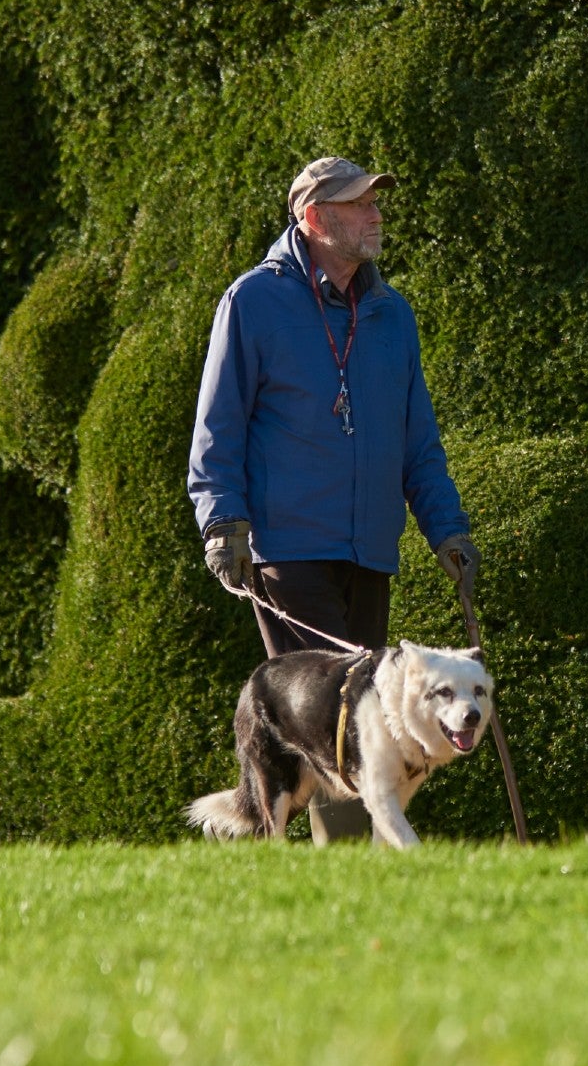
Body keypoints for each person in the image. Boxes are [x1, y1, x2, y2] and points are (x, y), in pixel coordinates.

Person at [185, 156, 482, 839]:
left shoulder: (392, 315)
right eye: (358, 205)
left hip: (370, 554)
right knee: (342, 721)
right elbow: (217, 428)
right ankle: (340, 871)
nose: (376, 215)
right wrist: (222, 520)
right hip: (289, 552)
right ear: (314, 218)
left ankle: (314, 853)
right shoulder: (252, 301)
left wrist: (449, 530)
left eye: (376, 202)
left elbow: (419, 446)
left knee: (365, 718)